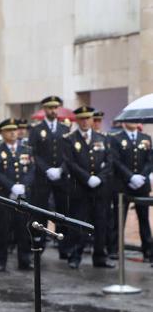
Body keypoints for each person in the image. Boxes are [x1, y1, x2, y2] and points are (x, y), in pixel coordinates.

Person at [63, 106, 115, 269]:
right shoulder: (69, 139)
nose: (85, 121)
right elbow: (70, 163)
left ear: (92, 119)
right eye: (82, 119)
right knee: (79, 223)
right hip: (80, 188)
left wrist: (99, 178)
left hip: (100, 188)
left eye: (88, 118)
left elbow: (110, 162)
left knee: (101, 222)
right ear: (77, 120)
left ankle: (100, 256)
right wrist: (87, 178)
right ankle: (75, 255)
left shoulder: (103, 138)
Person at [0, 118, 35, 271]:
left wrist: (23, 186)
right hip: (5, 196)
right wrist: (11, 187)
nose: (13, 133)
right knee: (4, 229)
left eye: (14, 130)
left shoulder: (26, 149)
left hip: (22, 195)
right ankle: (1, 261)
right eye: (9, 130)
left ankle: (24, 260)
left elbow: (31, 170)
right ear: (2, 133)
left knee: (23, 229)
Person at [28, 96, 71, 259]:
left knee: (62, 210)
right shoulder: (36, 129)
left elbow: (69, 154)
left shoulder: (64, 128)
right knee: (41, 210)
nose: (53, 111)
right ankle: (39, 243)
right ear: (44, 109)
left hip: (60, 176)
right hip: (43, 176)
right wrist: (47, 169)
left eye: (55, 107)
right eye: (49, 108)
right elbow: (33, 153)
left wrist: (60, 169)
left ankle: (64, 246)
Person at [110, 121, 153, 262]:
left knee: (144, 220)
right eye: (130, 119)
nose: (133, 122)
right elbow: (115, 161)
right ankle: (114, 249)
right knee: (119, 219)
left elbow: (150, 160)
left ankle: (148, 251)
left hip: (141, 184)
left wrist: (141, 176)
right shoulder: (116, 138)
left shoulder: (145, 138)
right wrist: (131, 176)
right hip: (123, 185)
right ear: (124, 121)